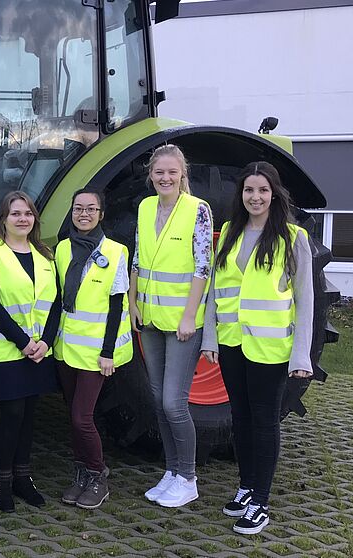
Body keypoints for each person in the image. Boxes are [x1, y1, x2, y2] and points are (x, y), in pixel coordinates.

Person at [201, 161, 314, 535]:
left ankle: (261, 503)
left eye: (262, 190)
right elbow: (216, 292)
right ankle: (246, 487)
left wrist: (301, 355)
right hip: (233, 343)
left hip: (270, 348)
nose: (255, 197)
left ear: (274, 194)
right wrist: (210, 337)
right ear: (242, 195)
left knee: (264, 422)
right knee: (241, 418)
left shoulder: (293, 238)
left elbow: (305, 299)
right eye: (249, 190)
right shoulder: (231, 232)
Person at [129, 144, 212, 508]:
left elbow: (202, 266)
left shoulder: (199, 210)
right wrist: (132, 302)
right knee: (157, 400)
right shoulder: (146, 207)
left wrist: (190, 316)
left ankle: (189, 477)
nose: (165, 178)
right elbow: (137, 258)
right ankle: (172, 471)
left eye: (172, 172)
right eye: (159, 172)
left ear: (183, 175)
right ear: (151, 175)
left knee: (173, 402)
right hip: (149, 318)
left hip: (181, 322)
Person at [0, 191, 61, 513]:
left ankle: (24, 479)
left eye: (27, 213)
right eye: (15, 214)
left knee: (29, 418)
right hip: (8, 351)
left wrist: (46, 342)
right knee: (12, 416)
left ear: (34, 219)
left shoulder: (45, 256)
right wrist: (24, 342)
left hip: (38, 352)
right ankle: (3, 483)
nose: (22, 218)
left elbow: (55, 304)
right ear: (3, 220)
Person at [54, 188, 132, 510]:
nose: (83, 214)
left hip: (96, 351)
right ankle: (81, 473)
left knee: (81, 417)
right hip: (66, 347)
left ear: (101, 214)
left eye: (91, 209)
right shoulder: (61, 250)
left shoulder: (115, 252)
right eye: (78, 208)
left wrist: (108, 352)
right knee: (73, 417)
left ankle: (98, 474)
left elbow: (117, 307)